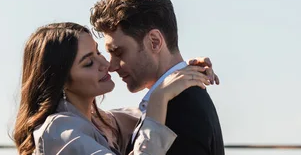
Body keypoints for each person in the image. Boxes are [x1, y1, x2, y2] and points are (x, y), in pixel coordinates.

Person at [11, 22, 219, 155]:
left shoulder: (104, 122)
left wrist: (185, 71)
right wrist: (159, 97)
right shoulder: (59, 133)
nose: (105, 64)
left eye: (97, 53)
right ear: (62, 81)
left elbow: (148, 115)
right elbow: (154, 111)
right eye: (88, 63)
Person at [90, 0, 225, 155]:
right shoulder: (169, 103)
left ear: (154, 42)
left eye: (119, 52)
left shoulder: (182, 109)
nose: (111, 66)